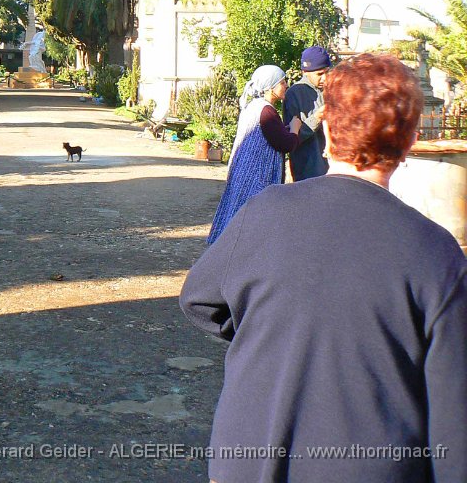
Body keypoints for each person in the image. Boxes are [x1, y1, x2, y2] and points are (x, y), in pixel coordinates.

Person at [180, 53, 467, 483]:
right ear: (406, 145)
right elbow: (454, 421)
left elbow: (199, 299)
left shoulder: (263, 214)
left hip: (246, 459)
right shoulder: (436, 255)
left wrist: (272, 330)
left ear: (329, 132)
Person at [206, 65, 300, 245]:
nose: (286, 85)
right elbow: (284, 143)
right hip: (257, 175)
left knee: (237, 215)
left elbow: (271, 134)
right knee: (250, 221)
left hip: (245, 172)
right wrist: (295, 130)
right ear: (271, 86)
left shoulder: (254, 107)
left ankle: (226, 252)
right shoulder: (266, 111)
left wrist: (286, 130)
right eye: (282, 82)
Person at [283, 46, 331, 181]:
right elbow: (291, 137)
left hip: (334, 169)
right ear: (305, 72)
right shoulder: (294, 94)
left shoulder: (332, 89)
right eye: (320, 74)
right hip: (307, 170)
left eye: (327, 72)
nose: (325, 78)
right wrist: (316, 118)